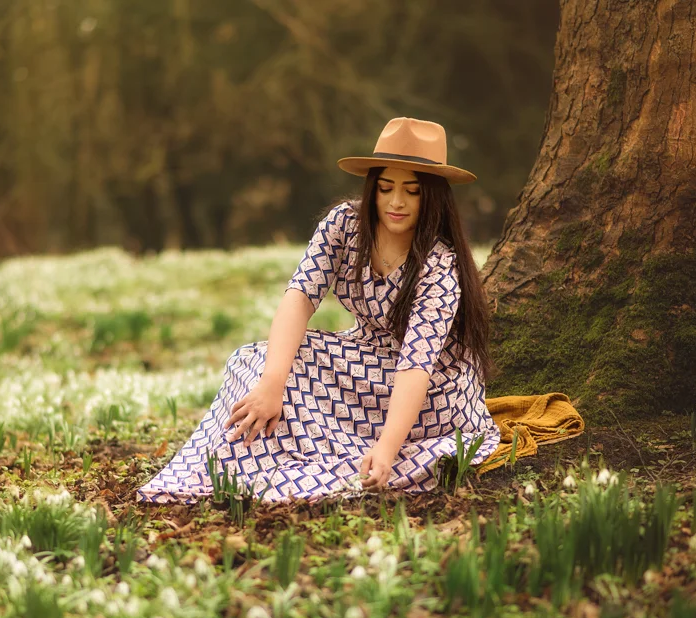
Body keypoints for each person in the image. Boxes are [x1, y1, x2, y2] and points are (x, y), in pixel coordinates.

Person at [136, 117, 501, 503]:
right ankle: (231, 469)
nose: (396, 202)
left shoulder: (438, 264)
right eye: (386, 187)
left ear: (433, 197)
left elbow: (416, 364)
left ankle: (327, 465)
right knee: (254, 362)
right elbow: (299, 298)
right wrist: (273, 383)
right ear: (372, 188)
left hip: (432, 391)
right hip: (366, 358)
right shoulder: (343, 225)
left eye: (412, 191)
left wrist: (390, 447)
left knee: (301, 382)